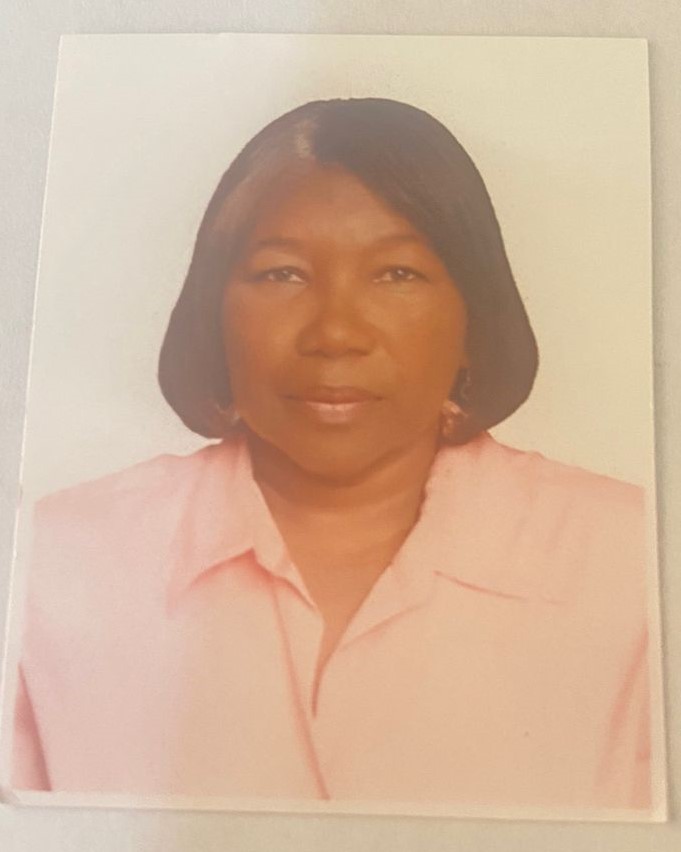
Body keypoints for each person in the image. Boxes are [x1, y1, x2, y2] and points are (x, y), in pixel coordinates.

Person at [8, 97, 652, 811]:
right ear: (212, 314)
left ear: (473, 320)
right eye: (282, 274)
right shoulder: (55, 559)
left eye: (396, 273)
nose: (336, 334)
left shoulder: (632, 559)